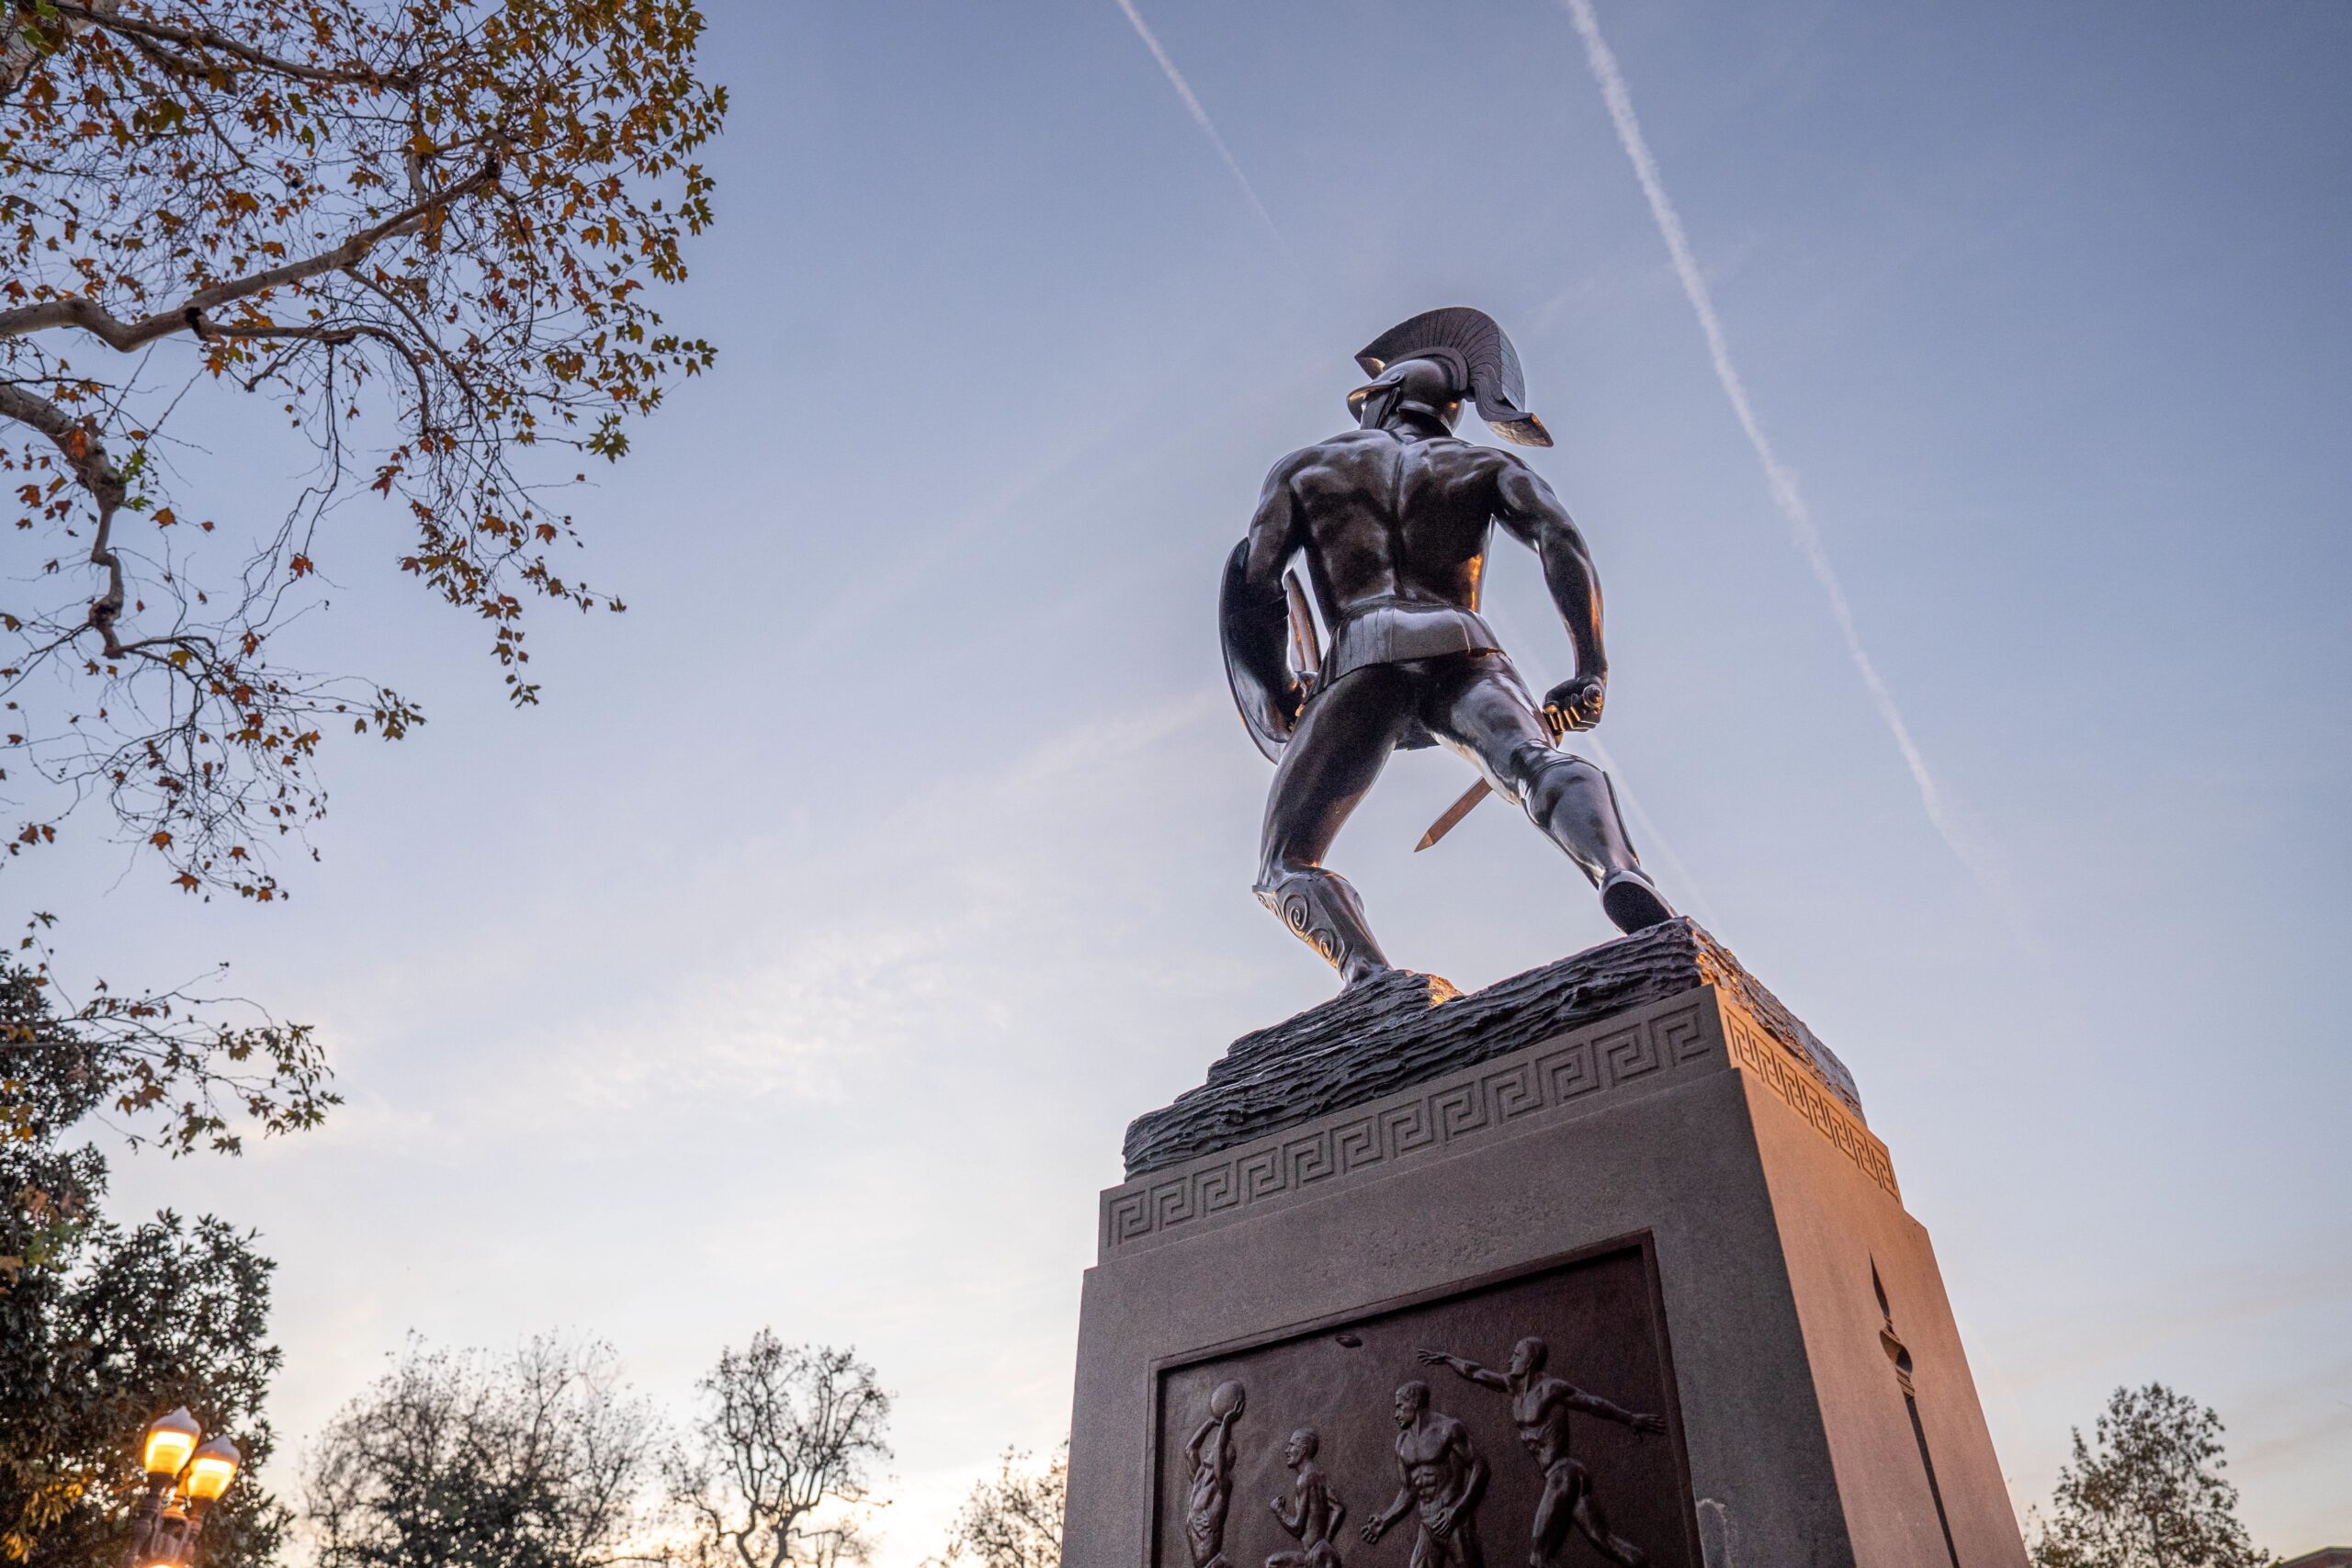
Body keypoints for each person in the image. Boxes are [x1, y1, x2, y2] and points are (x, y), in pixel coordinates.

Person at [1220, 307, 1671, 987]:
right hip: (1465, 646)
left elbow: (1256, 585)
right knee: (1535, 763)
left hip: (1360, 655)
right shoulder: (1483, 463)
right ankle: (1618, 870)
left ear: (1389, 396)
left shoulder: (1307, 468)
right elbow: (1560, 541)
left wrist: (1279, 690)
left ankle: (1369, 976)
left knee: (1285, 862)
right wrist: (1590, 667)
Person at [1417, 1337, 1665, 1567]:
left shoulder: (1550, 1389)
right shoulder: (1513, 1387)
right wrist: (1448, 1358)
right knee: (1604, 1541)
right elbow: (1475, 1372)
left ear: (1531, 1360)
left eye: (1516, 1355)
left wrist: (1631, 1418)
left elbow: (1592, 1403)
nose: (1510, 1360)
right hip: (1561, 1476)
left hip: (1562, 1473)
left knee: (1539, 1558)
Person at [1361, 1381, 1488, 1568]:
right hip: (1427, 1522)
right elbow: (1408, 1490)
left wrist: (1457, 1510)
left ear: (1415, 1402)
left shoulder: (1448, 1429)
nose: (1396, 1414)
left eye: (1400, 1406)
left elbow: (1480, 1466)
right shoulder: (1402, 1442)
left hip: (1453, 1519)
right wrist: (1385, 1520)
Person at [1267, 1426, 1346, 1568]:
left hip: (1315, 1556)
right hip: (1316, 1554)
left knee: (1271, 1564)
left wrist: (1278, 1510)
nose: (1287, 1451)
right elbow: (1338, 1508)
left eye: (1291, 1445)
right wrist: (1325, 1543)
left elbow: (1297, 1527)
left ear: (1303, 1450)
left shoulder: (1304, 1479)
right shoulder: (1319, 1475)